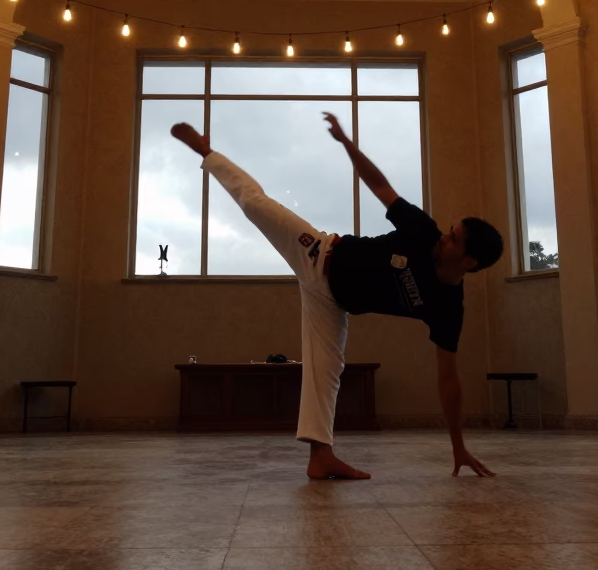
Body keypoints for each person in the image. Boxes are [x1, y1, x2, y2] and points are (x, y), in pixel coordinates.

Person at [170, 112, 503, 480]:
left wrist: (458, 446)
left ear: (470, 262)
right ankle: (206, 150)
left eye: (454, 239)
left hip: (332, 303)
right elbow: (380, 186)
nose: (445, 236)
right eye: (451, 230)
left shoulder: (448, 308)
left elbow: (449, 381)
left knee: (326, 372)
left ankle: (320, 457)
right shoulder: (423, 231)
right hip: (318, 254)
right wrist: (347, 144)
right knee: (256, 204)